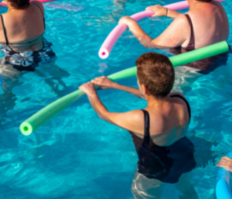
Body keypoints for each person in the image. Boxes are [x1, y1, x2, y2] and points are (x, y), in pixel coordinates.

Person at [80, 52, 198, 199]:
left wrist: (91, 93)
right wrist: (115, 86)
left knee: (142, 194)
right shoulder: (179, 99)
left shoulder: (141, 118)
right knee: (186, 188)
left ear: (144, 87)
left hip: (157, 166)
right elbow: (151, 95)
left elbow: (103, 115)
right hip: (184, 154)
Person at [118, 0, 230, 73]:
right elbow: (197, 25)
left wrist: (132, 24)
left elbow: (151, 44)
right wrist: (167, 12)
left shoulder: (184, 21)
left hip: (194, 68)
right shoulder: (217, 6)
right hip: (221, 56)